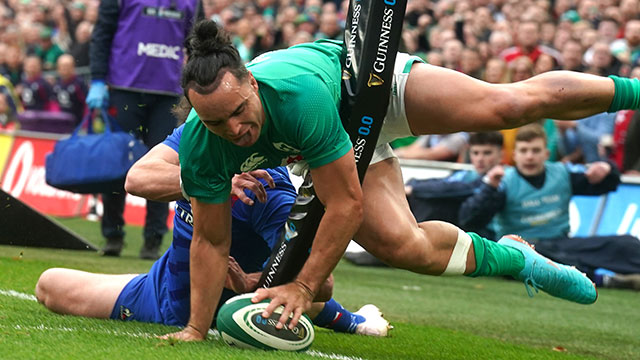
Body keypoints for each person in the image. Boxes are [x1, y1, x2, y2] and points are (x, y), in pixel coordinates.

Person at [173, 19, 640, 341]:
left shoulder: (297, 99)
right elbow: (211, 243)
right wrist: (196, 329)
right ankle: (517, 258)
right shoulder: (201, 144)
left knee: (506, 107)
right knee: (405, 248)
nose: (234, 129)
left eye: (238, 112)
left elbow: (345, 205)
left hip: (367, 92)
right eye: (216, 123)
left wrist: (304, 287)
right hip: (327, 146)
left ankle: (634, 92)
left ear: (251, 82)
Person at [35, 124, 391, 337]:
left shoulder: (268, 191)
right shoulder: (198, 136)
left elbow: (319, 283)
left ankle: (353, 320)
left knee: (300, 305)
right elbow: (136, 178)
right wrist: (209, 183)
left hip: (224, 310)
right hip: (157, 291)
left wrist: (250, 283)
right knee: (48, 286)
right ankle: (355, 319)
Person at [87, 0, 203, 260]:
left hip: (168, 96)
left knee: (163, 166)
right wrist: (96, 79)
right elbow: (102, 34)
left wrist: (198, 85)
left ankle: (153, 240)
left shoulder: (192, 2)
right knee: (117, 165)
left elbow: (197, 45)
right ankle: (113, 235)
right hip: (124, 89)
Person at [458, 124, 640, 289]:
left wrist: (607, 168)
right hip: (521, 249)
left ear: (546, 154)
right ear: (514, 155)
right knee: (534, 258)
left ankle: (598, 275)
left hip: (561, 243)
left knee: (626, 244)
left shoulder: (563, 174)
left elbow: (607, 184)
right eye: (524, 150)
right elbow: (469, 219)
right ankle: (604, 281)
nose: (529, 156)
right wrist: (489, 189)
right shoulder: (502, 181)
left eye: (535, 150)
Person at [405, 132, 504, 239]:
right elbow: (443, 184)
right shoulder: (465, 174)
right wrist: (413, 185)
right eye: (475, 153)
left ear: (500, 155)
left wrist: (415, 189)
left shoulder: (503, 179)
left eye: (487, 153)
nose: (480, 158)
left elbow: (466, 212)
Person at [52, 54, 87, 125]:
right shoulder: (56, 84)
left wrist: (85, 123)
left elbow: (86, 104)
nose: (65, 68)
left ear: (73, 67)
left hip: (78, 123)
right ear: (58, 69)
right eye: (62, 66)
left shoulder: (79, 83)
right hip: (61, 123)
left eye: (67, 66)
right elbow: (53, 103)